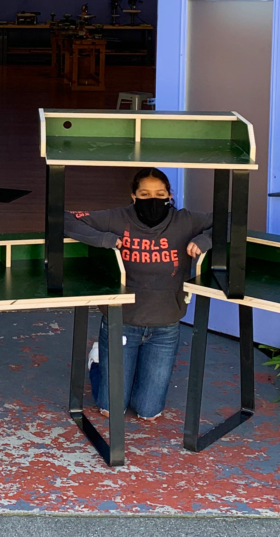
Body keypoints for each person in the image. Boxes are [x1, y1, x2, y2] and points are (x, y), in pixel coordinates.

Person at [64, 168, 212, 421]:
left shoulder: (185, 220)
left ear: (170, 195)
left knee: (148, 411)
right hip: (121, 322)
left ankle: (128, 376)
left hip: (165, 326)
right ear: (133, 196)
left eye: (160, 193)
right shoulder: (117, 218)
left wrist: (206, 239)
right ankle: (97, 361)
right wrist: (103, 239)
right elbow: (64, 219)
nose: (152, 199)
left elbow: (232, 220)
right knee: (112, 409)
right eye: (144, 194)